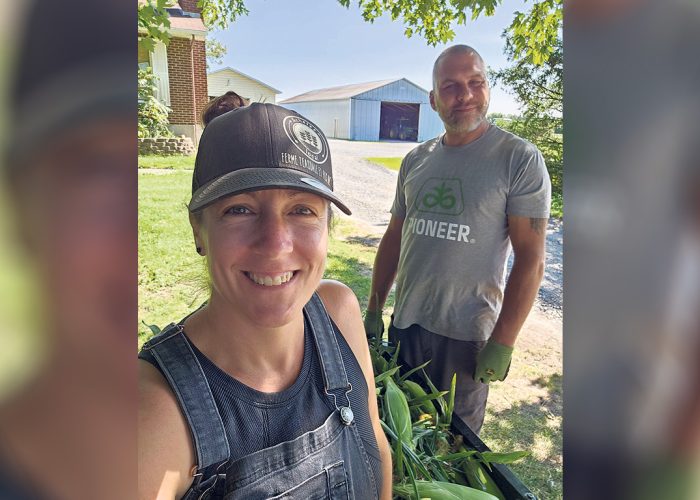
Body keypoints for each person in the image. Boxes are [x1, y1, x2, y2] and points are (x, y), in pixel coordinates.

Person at [138, 103, 392, 499]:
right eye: (239, 209)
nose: (275, 245)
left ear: (327, 227)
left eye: (302, 210)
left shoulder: (338, 312)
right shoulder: (154, 408)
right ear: (198, 231)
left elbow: (374, 442)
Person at [364, 45, 550, 435]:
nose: (464, 94)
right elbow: (395, 237)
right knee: (399, 437)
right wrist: (374, 308)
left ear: (487, 89)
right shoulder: (416, 160)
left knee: (452, 450)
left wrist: (504, 341)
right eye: (450, 86)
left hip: (466, 338)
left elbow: (531, 258)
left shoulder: (518, 158)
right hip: (406, 326)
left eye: (475, 82)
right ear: (432, 100)